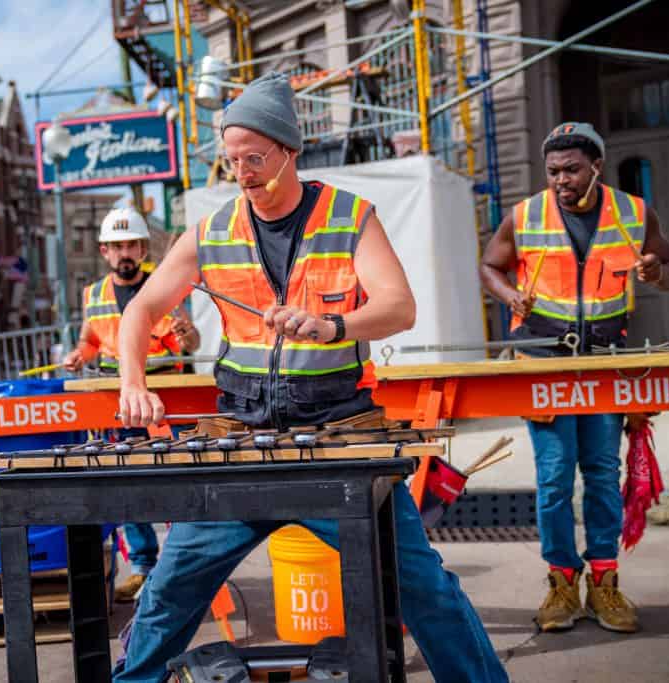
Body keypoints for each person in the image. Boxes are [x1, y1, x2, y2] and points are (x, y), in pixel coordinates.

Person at [115, 72, 507, 683]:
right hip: (240, 447)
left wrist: (332, 325)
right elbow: (140, 310)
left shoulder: (349, 217)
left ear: (289, 152)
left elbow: (399, 306)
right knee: (167, 594)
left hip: (338, 442)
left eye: (255, 158)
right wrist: (132, 382)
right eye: (232, 159)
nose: (242, 171)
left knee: (423, 587)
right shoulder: (213, 232)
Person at [479, 122, 669, 634]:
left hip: (604, 365)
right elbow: (489, 265)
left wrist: (655, 272)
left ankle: (605, 582)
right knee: (553, 478)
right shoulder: (524, 216)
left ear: (596, 166)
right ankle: (561, 582)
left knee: (600, 473)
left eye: (571, 169)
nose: (561, 180)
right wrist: (510, 297)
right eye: (553, 171)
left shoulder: (634, 213)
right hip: (543, 363)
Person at [64, 206, 201, 603]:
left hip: (163, 398)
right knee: (128, 484)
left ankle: (180, 568)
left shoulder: (165, 286)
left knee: (176, 482)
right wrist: (79, 355)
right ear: (105, 251)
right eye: (117, 246)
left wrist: (187, 332)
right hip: (119, 398)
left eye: (131, 245)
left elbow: (191, 346)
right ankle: (143, 567)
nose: (124, 253)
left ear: (143, 248)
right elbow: (90, 341)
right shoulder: (95, 295)